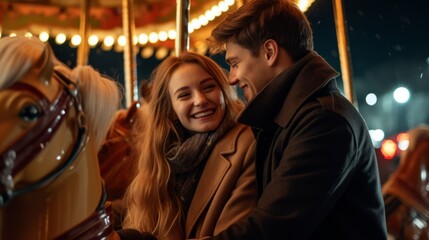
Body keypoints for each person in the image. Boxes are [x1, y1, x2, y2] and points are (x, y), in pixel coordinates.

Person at [204, 0, 387, 239]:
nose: (232, 79)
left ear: (270, 52)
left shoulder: (324, 122)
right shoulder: (292, 117)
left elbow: (272, 228)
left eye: (235, 64)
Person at [121, 52, 258, 239]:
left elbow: (233, 234)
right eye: (184, 95)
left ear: (224, 91)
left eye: (209, 87)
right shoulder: (164, 158)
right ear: (171, 109)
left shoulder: (247, 144)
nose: (200, 100)